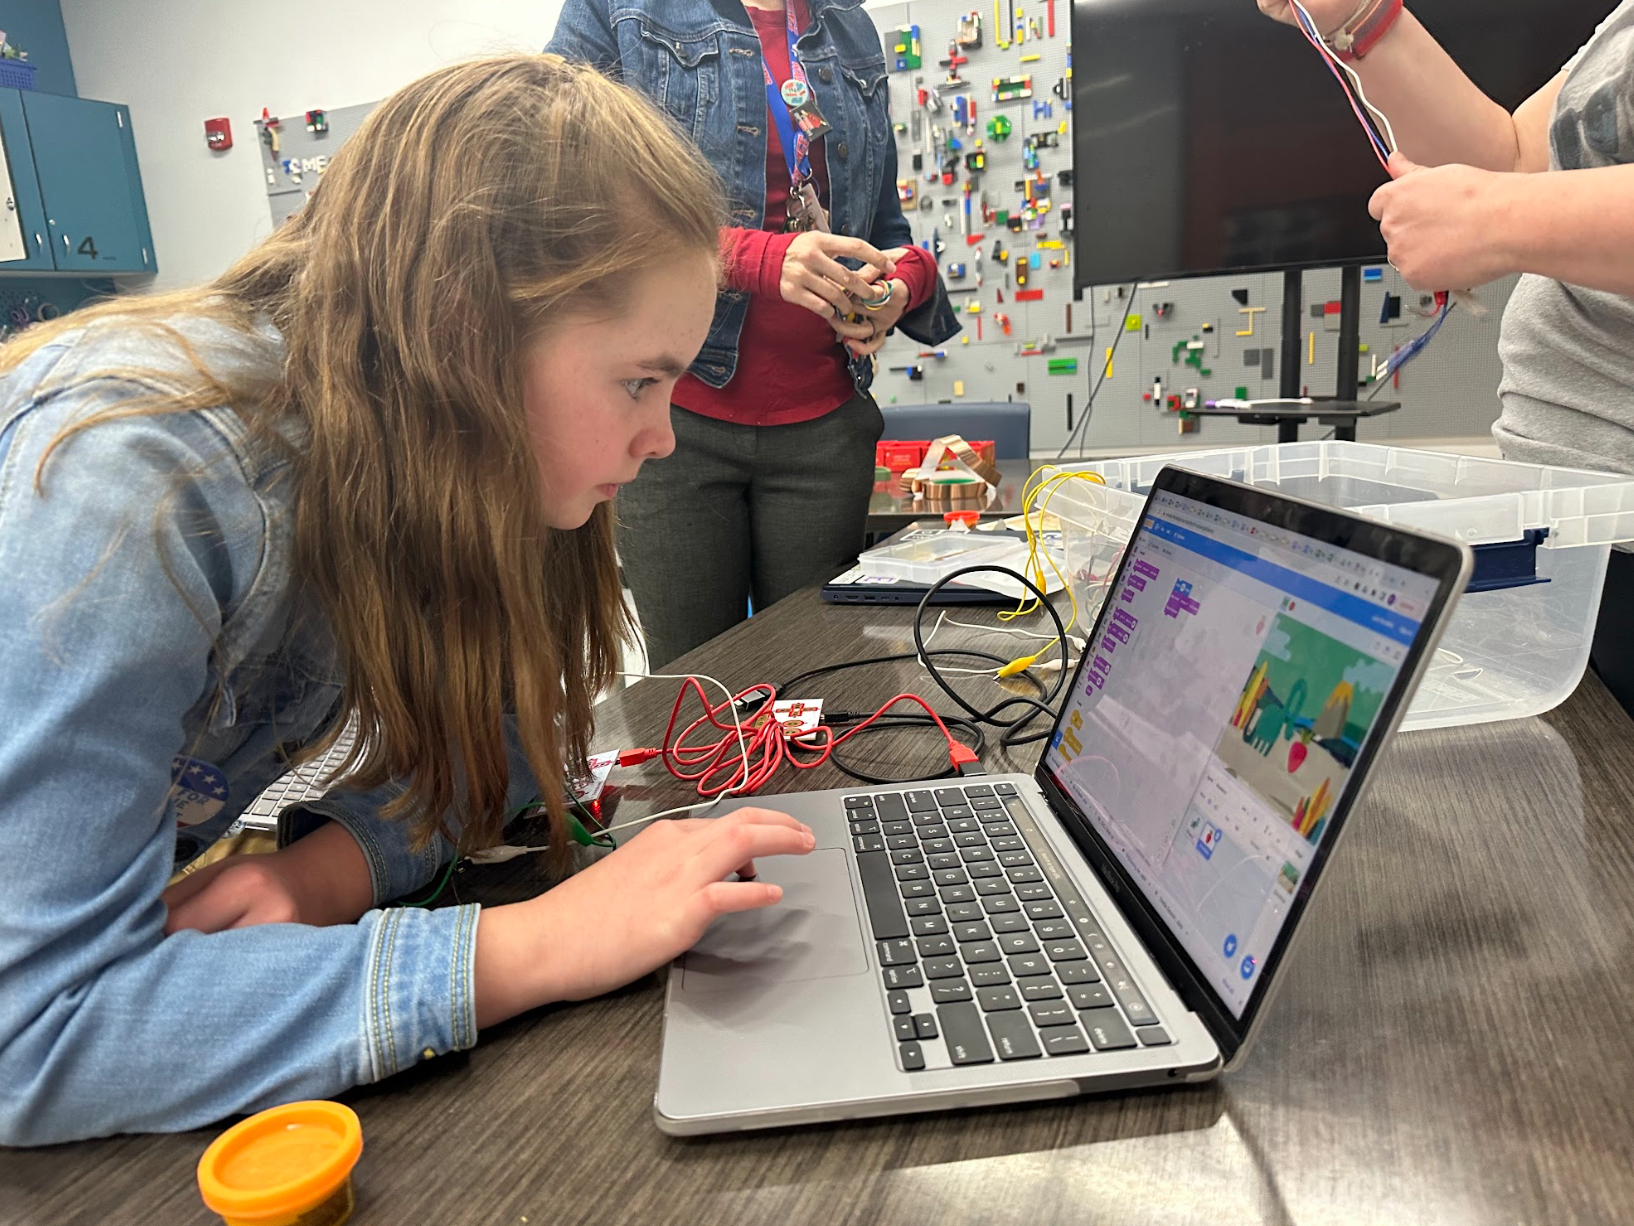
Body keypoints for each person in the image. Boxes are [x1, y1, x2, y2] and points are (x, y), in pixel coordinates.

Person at [0, 54, 815, 1148]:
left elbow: (518, 742)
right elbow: (31, 1033)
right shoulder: (134, 479)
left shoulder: (443, 446)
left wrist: (329, 869)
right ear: (463, 334)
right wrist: (530, 946)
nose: (663, 435)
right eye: (638, 379)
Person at [547, 0, 961, 669]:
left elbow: (886, 230)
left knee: (818, 689)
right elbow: (560, 193)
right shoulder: (621, 10)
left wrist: (900, 288)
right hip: (676, 423)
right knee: (693, 694)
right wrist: (757, 260)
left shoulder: (849, 28)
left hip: (827, 429)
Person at [1257, 1, 1634, 711]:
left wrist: (1497, 220)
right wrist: (1360, 16)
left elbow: (1511, 196)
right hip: (1577, 533)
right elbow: (1519, 159)